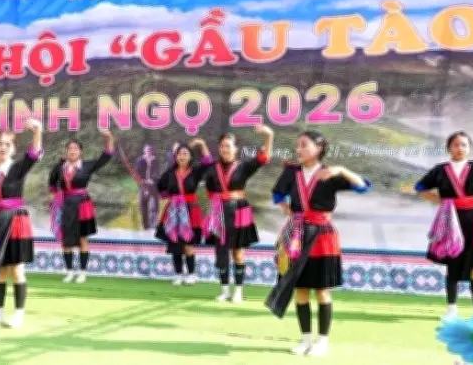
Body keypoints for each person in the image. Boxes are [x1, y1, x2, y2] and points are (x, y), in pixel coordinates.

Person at [265, 131, 370, 357]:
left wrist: (342, 170)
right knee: (301, 290)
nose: (299, 149)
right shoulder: (292, 172)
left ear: (319, 148)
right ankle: (305, 340)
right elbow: (277, 193)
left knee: (322, 291)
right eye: (297, 145)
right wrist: (287, 209)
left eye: (304, 145)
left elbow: (362, 186)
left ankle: (322, 341)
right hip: (298, 235)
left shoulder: (330, 173)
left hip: (323, 236)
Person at [0, 119, 42, 328]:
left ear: (13, 148)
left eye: (8, 144)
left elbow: (34, 154)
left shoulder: (17, 168)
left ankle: (19, 314)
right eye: (0, 144)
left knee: (16, 269)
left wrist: (37, 131)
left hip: (15, 221)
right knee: (0, 271)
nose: (3, 147)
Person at [416, 131, 473, 321]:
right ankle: (451, 310)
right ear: (448, 148)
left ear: (470, 148)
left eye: (464, 145)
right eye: (456, 144)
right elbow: (420, 188)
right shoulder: (440, 170)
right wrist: (442, 202)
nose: (460, 148)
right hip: (450, 222)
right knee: (452, 265)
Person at [205, 125, 274, 303]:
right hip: (219, 212)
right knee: (221, 251)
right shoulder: (212, 168)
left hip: (238, 211)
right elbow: (210, 192)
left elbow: (264, 158)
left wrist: (269, 135)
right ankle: (224, 291)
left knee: (238, 252)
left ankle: (238, 291)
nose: (225, 149)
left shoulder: (244, 167)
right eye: (222, 146)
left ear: (235, 149)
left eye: (228, 146)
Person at [49, 129, 115, 284]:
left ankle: (83, 272)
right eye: (70, 148)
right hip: (65, 205)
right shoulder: (59, 167)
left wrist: (109, 138)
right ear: (66, 151)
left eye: (75, 148)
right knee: (66, 239)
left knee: (82, 238)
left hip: (82, 205)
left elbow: (106, 156)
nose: (72, 151)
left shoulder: (87, 166)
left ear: (80, 152)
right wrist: (56, 200)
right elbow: (52, 185)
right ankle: (69, 272)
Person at [154, 138, 213, 286]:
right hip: (173, 211)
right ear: (175, 157)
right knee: (175, 244)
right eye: (179, 154)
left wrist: (202, 144)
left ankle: (192, 274)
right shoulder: (170, 173)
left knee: (188, 244)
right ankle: (178, 274)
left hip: (191, 210)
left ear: (190, 156)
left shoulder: (195, 171)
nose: (182, 156)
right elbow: (160, 186)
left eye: (185, 153)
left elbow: (208, 162)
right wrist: (169, 197)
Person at [135, 145, 160, 230]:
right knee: (143, 206)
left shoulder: (155, 160)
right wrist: (142, 181)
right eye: (147, 150)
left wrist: (152, 180)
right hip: (143, 186)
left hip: (153, 186)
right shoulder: (140, 160)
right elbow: (137, 172)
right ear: (144, 151)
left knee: (154, 206)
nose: (148, 151)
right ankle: (145, 226)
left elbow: (157, 172)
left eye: (150, 150)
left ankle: (153, 226)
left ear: (152, 151)